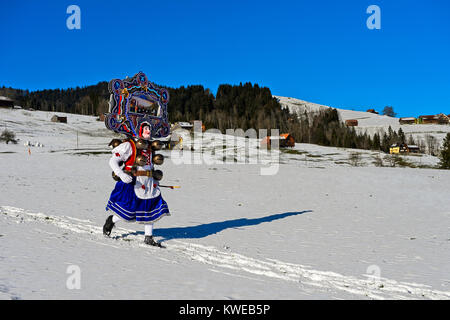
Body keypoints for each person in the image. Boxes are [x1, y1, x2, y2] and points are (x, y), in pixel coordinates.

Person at [103, 122, 170, 247]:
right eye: (145, 128)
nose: (148, 130)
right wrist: (121, 174)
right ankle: (111, 220)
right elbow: (113, 160)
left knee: (150, 208)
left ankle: (148, 237)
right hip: (133, 182)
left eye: (149, 128)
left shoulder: (151, 146)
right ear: (138, 129)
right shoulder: (129, 145)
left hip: (149, 183)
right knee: (128, 211)